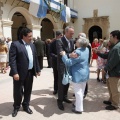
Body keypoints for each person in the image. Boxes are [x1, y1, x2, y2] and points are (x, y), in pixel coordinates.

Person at [9, 27, 41, 117]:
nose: (31, 38)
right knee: (18, 91)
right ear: (24, 36)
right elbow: (12, 60)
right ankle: (16, 106)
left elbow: (35, 58)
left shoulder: (32, 45)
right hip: (19, 73)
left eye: (31, 36)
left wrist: (37, 69)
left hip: (30, 72)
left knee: (28, 90)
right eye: (29, 36)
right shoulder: (15, 44)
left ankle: (26, 105)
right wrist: (15, 72)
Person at [60, 37, 89, 114]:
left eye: (77, 41)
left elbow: (68, 62)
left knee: (78, 92)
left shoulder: (77, 52)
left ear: (80, 43)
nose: (75, 42)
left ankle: (79, 109)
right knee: (81, 90)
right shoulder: (87, 49)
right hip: (85, 73)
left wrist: (64, 55)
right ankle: (77, 104)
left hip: (78, 74)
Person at [56, 26, 75, 110]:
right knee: (61, 83)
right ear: (66, 32)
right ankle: (59, 100)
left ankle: (64, 97)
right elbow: (60, 53)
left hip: (69, 64)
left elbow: (71, 51)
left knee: (67, 82)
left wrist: (70, 54)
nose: (72, 35)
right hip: (62, 66)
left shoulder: (71, 41)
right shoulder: (59, 41)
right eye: (71, 33)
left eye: (73, 33)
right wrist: (70, 54)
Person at [103, 30, 120, 110]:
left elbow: (113, 61)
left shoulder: (117, 47)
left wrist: (105, 69)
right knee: (111, 87)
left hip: (114, 72)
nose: (110, 38)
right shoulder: (116, 46)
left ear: (115, 37)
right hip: (112, 72)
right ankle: (111, 100)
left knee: (115, 89)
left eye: (111, 36)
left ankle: (115, 104)